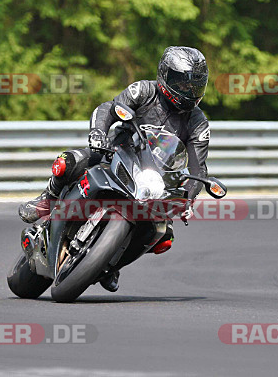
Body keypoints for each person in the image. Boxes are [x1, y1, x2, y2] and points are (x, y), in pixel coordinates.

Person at [18, 46, 212, 291]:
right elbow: (109, 109)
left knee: (164, 237)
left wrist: (188, 199)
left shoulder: (198, 123)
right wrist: (98, 132)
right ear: (164, 75)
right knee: (68, 162)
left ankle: (111, 263)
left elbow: (198, 168)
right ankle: (47, 199)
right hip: (117, 153)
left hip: (154, 183)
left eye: (195, 85)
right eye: (182, 84)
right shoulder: (144, 91)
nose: (189, 91)